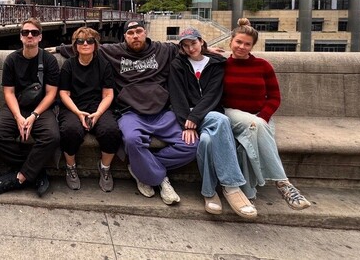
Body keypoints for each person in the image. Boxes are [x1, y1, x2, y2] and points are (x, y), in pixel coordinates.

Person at [56, 19, 197, 205]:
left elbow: (190, 49)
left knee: (192, 145)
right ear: (124, 37)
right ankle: (159, 178)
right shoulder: (113, 52)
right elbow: (78, 47)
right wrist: (49, 48)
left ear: (145, 32)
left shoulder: (164, 50)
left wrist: (207, 50)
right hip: (131, 112)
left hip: (162, 112)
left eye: (139, 31)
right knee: (130, 140)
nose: (135, 36)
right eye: (130, 33)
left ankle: (142, 169)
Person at [222, 18, 311, 210]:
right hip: (231, 114)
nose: (242, 47)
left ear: (252, 46)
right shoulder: (221, 65)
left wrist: (263, 116)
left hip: (260, 116)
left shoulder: (263, 66)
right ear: (230, 42)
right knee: (255, 126)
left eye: (247, 44)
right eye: (238, 42)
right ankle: (283, 183)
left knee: (246, 144)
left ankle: (249, 194)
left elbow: (274, 97)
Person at [169, 27, 256, 218]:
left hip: (209, 113)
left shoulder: (217, 63)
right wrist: (186, 122)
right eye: (186, 45)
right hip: (188, 116)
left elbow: (213, 95)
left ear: (201, 41)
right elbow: (177, 96)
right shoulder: (178, 65)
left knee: (209, 138)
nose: (191, 48)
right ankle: (227, 188)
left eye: (194, 43)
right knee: (218, 125)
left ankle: (216, 190)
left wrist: (194, 118)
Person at [0, 18, 60, 197]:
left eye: (34, 33)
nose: (29, 35)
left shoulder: (49, 60)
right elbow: (9, 93)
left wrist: (34, 115)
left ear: (40, 37)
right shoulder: (12, 59)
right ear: (20, 37)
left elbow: (51, 94)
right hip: (16, 106)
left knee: (52, 136)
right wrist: (18, 117)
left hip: (41, 108)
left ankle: (20, 177)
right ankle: (34, 171)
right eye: (25, 32)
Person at [57, 27, 119, 192]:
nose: (85, 44)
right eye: (80, 41)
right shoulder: (69, 65)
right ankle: (71, 167)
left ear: (95, 44)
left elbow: (108, 94)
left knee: (111, 130)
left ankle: (105, 167)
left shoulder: (104, 65)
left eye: (90, 41)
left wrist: (98, 113)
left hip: (98, 106)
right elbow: (64, 93)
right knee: (69, 130)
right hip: (73, 106)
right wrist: (78, 113)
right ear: (75, 45)